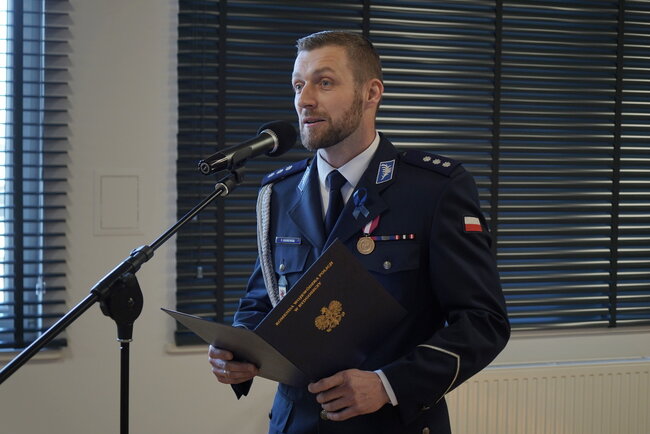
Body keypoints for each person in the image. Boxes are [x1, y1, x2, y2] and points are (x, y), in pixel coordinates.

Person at [208, 30, 510, 434]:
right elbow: (262, 300)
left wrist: (389, 384)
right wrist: (239, 346)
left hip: (391, 423)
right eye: (298, 85)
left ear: (371, 93)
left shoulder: (433, 190)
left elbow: (483, 322)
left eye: (324, 82)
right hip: (295, 423)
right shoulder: (279, 192)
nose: (304, 99)